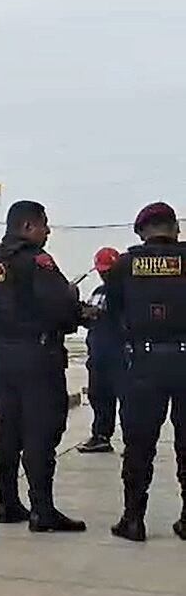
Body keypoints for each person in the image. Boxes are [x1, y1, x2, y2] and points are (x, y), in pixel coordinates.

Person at [0, 200, 87, 532]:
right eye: (43, 224)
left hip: (2, 355)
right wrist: (74, 302)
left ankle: (7, 503)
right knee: (40, 431)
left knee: (8, 430)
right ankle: (42, 510)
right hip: (38, 357)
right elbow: (61, 305)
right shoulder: (37, 261)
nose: (47, 231)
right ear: (27, 227)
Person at [105, 202, 186, 542]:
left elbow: (112, 314)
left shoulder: (124, 266)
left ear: (141, 232)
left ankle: (133, 520)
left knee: (138, 444)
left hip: (143, 364)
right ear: (175, 229)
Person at [76, 247, 126, 454]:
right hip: (98, 356)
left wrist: (102, 314)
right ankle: (101, 436)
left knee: (128, 401)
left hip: (123, 356)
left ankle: (134, 442)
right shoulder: (98, 292)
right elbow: (87, 320)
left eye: (108, 270)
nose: (104, 274)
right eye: (102, 270)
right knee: (99, 397)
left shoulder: (128, 292)